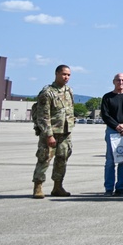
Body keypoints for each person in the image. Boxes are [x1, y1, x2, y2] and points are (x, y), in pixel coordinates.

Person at [31, 64, 75, 199]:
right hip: (51, 133)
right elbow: (43, 116)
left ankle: (58, 186)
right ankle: (38, 186)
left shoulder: (69, 91)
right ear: (56, 74)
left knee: (62, 159)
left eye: (68, 75)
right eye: (64, 74)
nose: (66, 77)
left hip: (65, 133)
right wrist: (49, 135)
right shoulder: (47, 92)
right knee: (44, 159)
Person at [100, 72, 123, 197]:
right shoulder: (107, 97)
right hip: (112, 131)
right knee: (110, 161)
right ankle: (108, 188)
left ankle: (120, 187)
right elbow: (105, 115)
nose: (120, 82)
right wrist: (116, 126)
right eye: (118, 80)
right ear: (113, 81)